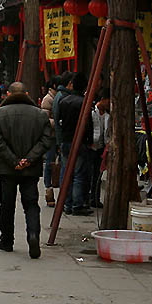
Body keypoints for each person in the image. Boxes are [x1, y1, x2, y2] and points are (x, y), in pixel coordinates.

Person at [0, 82, 54, 258]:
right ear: (26, 93)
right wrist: (29, 159)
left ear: (8, 94)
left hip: (7, 168)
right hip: (30, 169)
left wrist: (13, 161)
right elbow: (46, 141)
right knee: (31, 204)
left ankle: (7, 240)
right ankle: (33, 235)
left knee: (6, 205)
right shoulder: (40, 115)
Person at [58, 72, 92, 216]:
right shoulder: (83, 102)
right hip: (79, 141)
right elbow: (88, 124)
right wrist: (89, 140)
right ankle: (77, 204)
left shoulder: (63, 101)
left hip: (66, 139)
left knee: (68, 172)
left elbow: (59, 121)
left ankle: (67, 203)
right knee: (78, 173)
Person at [88, 89, 111, 208]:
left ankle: (95, 198)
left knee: (98, 174)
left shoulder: (108, 115)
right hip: (91, 146)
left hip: (102, 147)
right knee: (89, 173)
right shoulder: (92, 111)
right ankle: (88, 197)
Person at [40, 78, 58, 207]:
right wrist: (58, 123)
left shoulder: (55, 98)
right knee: (49, 162)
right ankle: (48, 188)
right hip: (51, 136)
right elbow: (45, 120)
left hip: (56, 135)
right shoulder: (48, 99)